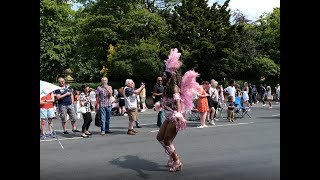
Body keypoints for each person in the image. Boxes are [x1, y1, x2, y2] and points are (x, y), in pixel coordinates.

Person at [156, 48, 200, 172]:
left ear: (169, 78)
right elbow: (166, 101)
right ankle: (171, 157)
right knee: (159, 138)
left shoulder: (174, 88)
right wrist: (160, 105)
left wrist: (179, 114)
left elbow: (178, 102)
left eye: (164, 75)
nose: (162, 77)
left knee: (167, 140)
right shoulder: (166, 89)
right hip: (168, 116)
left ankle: (177, 162)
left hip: (175, 117)